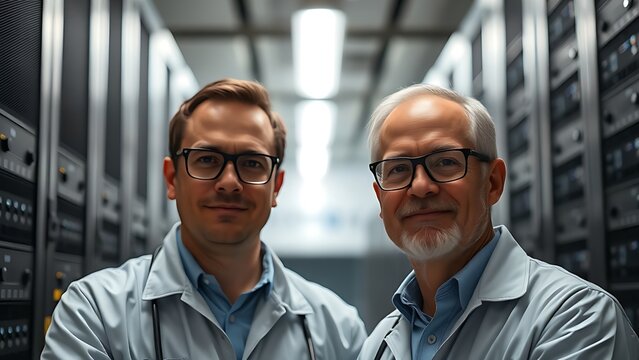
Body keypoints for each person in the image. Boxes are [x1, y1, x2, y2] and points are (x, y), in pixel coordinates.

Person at [42, 78, 367, 360]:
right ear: (172, 178)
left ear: (275, 186)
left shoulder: (338, 329)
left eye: (252, 163)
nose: (229, 181)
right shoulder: (94, 313)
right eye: (207, 159)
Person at [358, 84, 639, 359]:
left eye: (445, 162)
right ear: (380, 199)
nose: (420, 186)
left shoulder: (575, 318)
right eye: (397, 169)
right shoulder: (379, 344)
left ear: (493, 182)